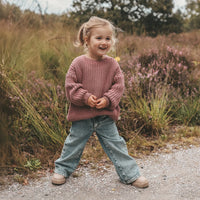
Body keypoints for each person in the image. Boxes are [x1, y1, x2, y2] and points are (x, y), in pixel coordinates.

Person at [51, 16, 149, 188]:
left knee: (116, 144)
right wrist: (85, 97)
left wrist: (108, 99)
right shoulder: (78, 63)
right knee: (73, 143)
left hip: (105, 116)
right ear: (87, 40)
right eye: (99, 38)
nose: (104, 42)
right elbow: (70, 86)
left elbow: (119, 86)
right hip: (82, 115)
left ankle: (130, 174)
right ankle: (62, 169)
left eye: (108, 38)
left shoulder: (112, 64)